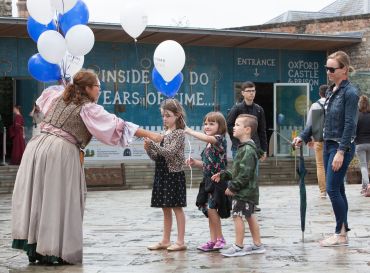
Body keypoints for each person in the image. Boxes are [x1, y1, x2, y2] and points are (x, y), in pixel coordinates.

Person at [11, 70, 162, 265]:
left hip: (37, 146)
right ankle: (53, 250)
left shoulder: (58, 95)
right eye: (98, 88)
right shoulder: (87, 108)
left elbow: (39, 106)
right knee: (57, 198)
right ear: (88, 89)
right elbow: (118, 126)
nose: (99, 92)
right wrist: (152, 135)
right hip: (60, 150)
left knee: (39, 197)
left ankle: (36, 247)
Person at [293, 51, 359, 247]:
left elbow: (350, 124)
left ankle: (339, 233)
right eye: (327, 68)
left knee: (331, 188)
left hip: (341, 147)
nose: (328, 72)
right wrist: (303, 137)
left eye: (332, 68)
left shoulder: (350, 93)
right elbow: (319, 120)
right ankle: (343, 231)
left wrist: (341, 151)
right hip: (328, 143)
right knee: (338, 189)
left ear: (344, 70)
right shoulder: (331, 91)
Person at [212, 114, 265, 257]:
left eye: (237, 125)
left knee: (237, 216)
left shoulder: (247, 150)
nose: (233, 127)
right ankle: (257, 244)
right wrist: (223, 175)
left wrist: (233, 187)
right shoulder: (245, 148)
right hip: (249, 192)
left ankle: (239, 246)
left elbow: (244, 174)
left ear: (247, 129)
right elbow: (238, 170)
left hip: (243, 192)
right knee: (250, 215)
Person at [145, 99, 187, 252]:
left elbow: (170, 153)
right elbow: (158, 157)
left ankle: (180, 241)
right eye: (163, 115)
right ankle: (165, 240)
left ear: (177, 116)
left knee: (177, 208)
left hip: (173, 175)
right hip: (162, 174)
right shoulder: (164, 134)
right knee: (165, 208)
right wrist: (149, 149)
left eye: (168, 115)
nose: (165, 118)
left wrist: (153, 144)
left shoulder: (179, 133)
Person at [185, 112, 229, 252]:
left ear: (220, 126)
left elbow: (207, 137)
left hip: (218, 181)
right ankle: (213, 239)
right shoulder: (208, 146)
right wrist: (195, 162)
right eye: (205, 123)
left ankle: (220, 238)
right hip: (207, 182)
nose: (207, 126)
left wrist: (190, 131)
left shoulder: (219, 140)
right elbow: (206, 164)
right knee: (209, 212)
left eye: (211, 123)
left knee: (212, 209)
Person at [226, 81, 267, 212]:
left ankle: (252, 202)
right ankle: (236, 198)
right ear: (243, 93)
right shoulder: (236, 108)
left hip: (254, 147)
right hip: (239, 146)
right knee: (238, 172)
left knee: (253, 174)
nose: (251, 93)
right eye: (248, 91)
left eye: (253, 91)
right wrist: (237, 141)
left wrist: (264, 150)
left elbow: (262, 130)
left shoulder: (259, 109)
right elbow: (229, 125)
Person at [306, 84, 328, 198]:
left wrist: (309, 138)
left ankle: (323, 191)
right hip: (332, 138)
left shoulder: (315, 105)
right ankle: (333, 187)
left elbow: (309, 123)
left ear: (319, 93)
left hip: (318, 137)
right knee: (331, 163)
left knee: (320, 165)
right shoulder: (333, 104)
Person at [355, 95, 370, 196]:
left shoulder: (357, 116)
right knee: (366, 166)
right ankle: (364, 188)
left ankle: (368, 185)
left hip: (360, 144)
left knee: (363, 166)